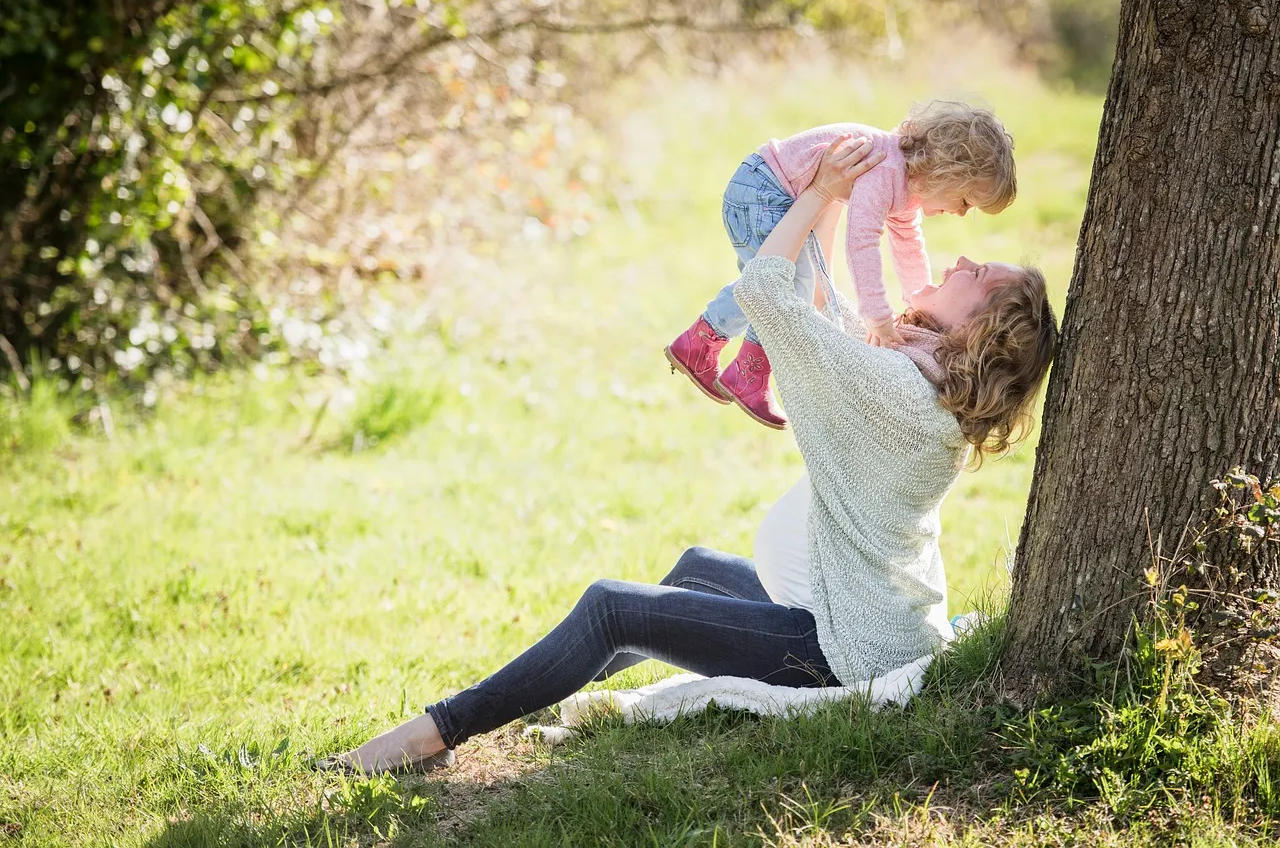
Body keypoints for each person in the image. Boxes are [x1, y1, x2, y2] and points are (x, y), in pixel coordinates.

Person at [316, 135, 1056, 776]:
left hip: (841, 648)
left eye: (981, 276)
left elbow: (768, 291)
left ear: (981, 331)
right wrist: (835, 203)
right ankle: (524, 694)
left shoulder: (895, 390)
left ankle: (433, 734)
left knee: (613, 607)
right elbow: (828, 313)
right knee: (695, 569)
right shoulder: (923, 386)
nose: (962, 258)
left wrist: (823, 193)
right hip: (861, 613)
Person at [665, 100, 1016, 430]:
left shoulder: (906, 187)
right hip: (762, 190)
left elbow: (908, 246)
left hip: (771, 190)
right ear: (945, 173)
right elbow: (861, 242)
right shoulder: (887, 170)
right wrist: (877, 316)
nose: (959, 212)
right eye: (966, 200)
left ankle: (703, 346)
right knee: (782, 284)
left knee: (783, 282)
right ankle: (745, 369)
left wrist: (917, 303)